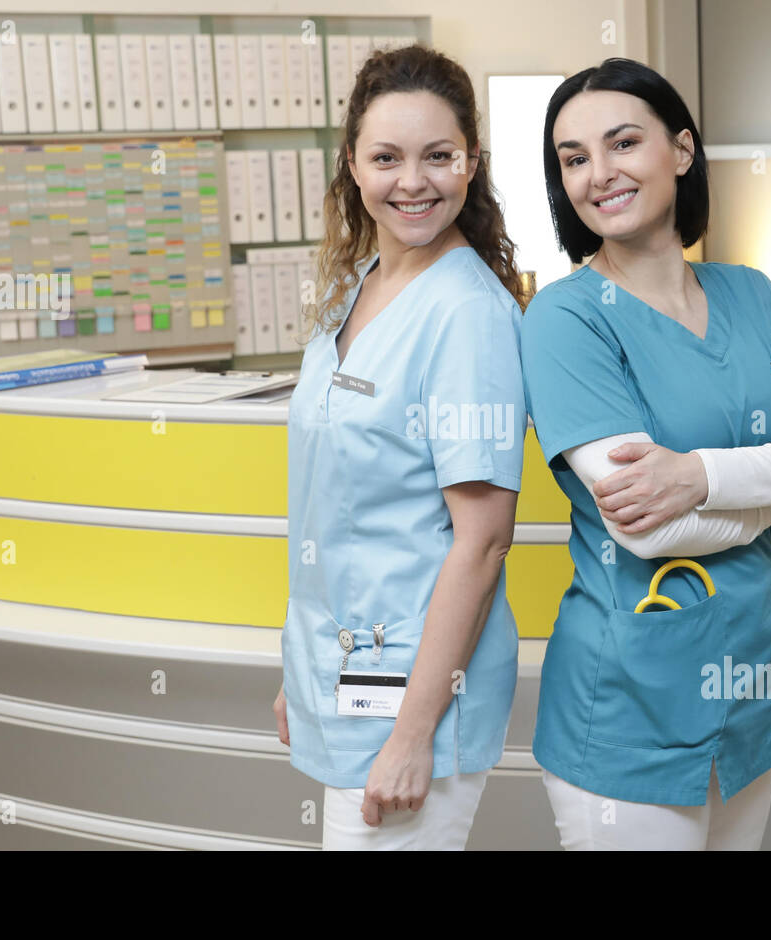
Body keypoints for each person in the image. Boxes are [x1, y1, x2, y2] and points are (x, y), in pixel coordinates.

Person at [521, 57, 771, 850]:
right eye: (573, 158)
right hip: (628, 704)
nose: (599, 173)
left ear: (680, 149)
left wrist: (698, 475)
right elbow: (647, 528)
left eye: (623, 142)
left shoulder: (753, 294)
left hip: (751, 687)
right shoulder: (564, 320)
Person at [273, 44, 528, 850]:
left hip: (414, 696)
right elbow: (335, 507)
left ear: (471, 162)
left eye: (437, 157)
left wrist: (415, 733)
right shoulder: (355, 290)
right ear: (352, 164)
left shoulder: (468, 315)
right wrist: (304, 676)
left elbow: (482, 543)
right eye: (387, 158)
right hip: (344, 678)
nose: (411, 182)